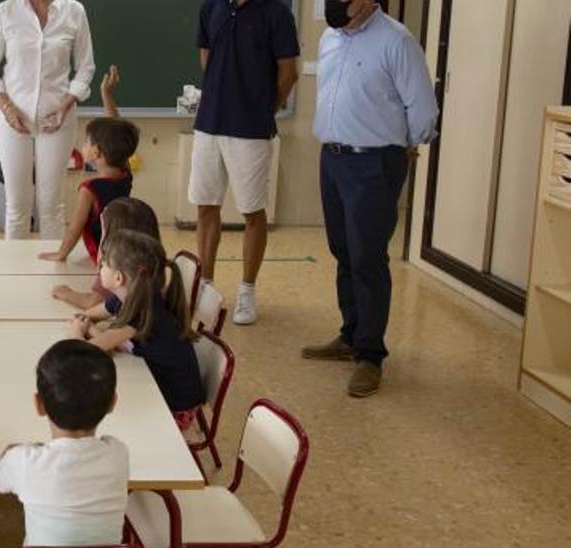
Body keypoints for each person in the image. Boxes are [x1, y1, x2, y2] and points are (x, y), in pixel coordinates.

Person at [306, 0, 437, 398]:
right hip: (332, 158)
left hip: (372, 162)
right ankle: (350, 335)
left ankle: (370, 355)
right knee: (343, 250)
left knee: (367, 257)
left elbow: (424, 109)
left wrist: (403, 149)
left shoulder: (396, 41)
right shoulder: (330, 37)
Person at [189, 0, 301, 325]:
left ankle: (247, 292)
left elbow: (289, 73)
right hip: (209, 123)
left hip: (250, 129)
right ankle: (205, 287)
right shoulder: (211, 8)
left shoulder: (277, 12)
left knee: (252, 211)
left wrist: (264, 108)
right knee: (205, 206)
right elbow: (207, 57)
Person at [0, 339, 128, 546]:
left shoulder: (22, 461)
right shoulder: (118, 453)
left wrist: (9, 457)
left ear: (39, 404)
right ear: (113, 403)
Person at [0, 0, 96, 240]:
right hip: (11, 118)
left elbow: (86, 67)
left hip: (57, 118)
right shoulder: (6, 11)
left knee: (52, 205)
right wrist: (8, 108)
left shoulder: (74, 11)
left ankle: (51, 273)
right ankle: (14, 273)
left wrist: (65, 105)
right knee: (16, 206)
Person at [70, 231, 203, 425]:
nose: (100, 267)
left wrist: (77, 331)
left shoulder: (141, 313)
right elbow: (95, 324)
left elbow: (83, 351)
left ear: (118, 278)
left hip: (175, 410)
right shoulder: (131, 297)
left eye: (105, 263)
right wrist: (90, 329)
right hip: (157, 387)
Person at [38, 117, 138, 265]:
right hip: (121, 248)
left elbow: (75, 227)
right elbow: (119, 132)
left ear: (96, 152)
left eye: (86, 142)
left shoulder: (89, 189)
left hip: (102, 254)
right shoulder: (126, 174)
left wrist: (61, 254)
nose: (83, 146)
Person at [53, 197, 162, 311]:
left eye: (104, 230)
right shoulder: (153, 258)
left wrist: (66, 294)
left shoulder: (115, 265)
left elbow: (92, 303)